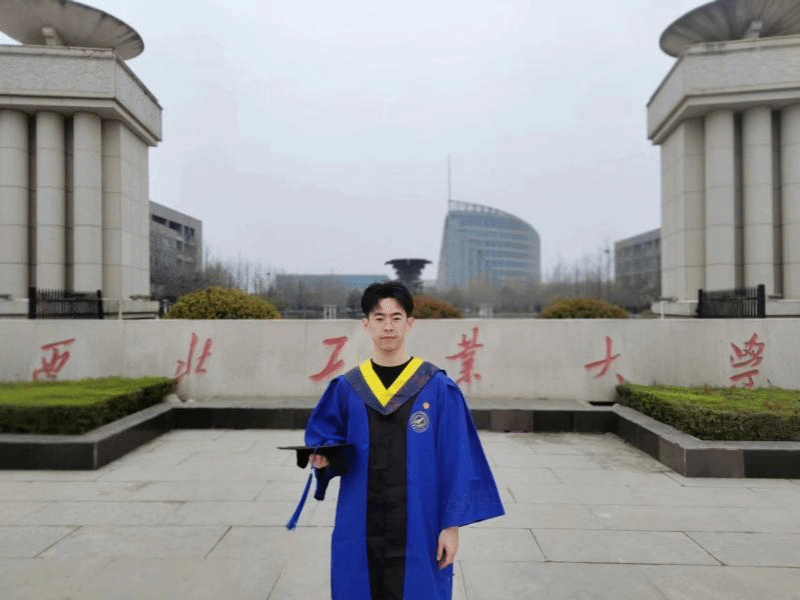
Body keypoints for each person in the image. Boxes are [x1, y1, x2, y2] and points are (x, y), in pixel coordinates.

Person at [295, 281, 504, 600]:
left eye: (396, 317)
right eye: (379, 318)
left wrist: (451, 527)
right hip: (360, 523)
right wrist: (323, 459)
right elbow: (327, 440)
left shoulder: (436, 387)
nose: (388, 326)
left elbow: (457, 460)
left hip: (421, 523)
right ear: (366, 324)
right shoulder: (348, 388)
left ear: (410, 323)